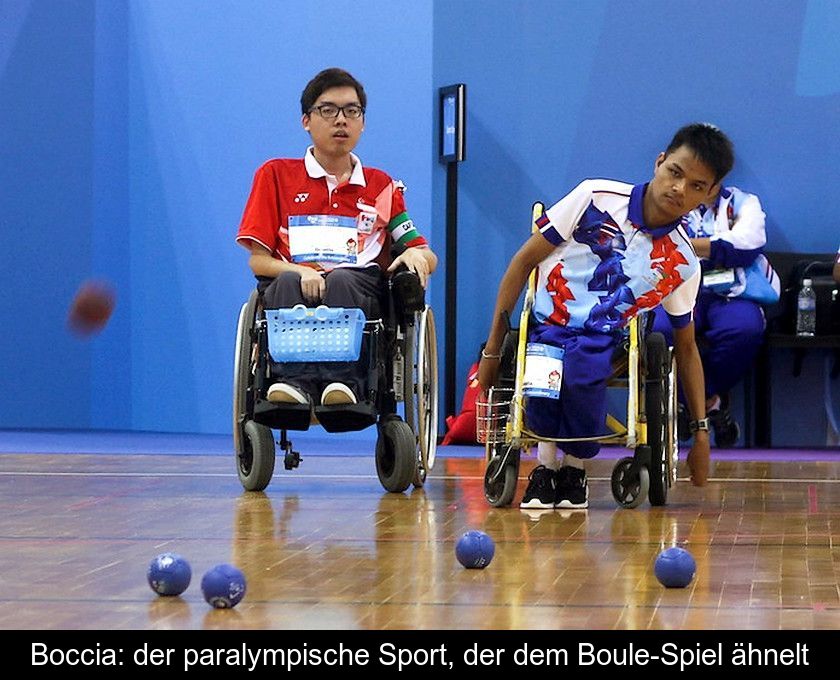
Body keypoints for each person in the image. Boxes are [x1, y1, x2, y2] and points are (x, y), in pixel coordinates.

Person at [478, 123, 734, 510]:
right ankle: (545, 470)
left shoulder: (682, 263)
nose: (680, 189)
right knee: (545, 375)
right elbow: (522, 262)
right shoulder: (594, 195)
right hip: (548, 320)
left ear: (710, 194)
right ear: (659, 162)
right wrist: (493, 351)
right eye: (675, 173)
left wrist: (700, 433)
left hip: (607, 336)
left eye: (697, 186)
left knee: (581, 369)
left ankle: (575, 471)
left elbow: (686, 346)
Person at [236, 68, 437, 406]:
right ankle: (292, 385)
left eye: (352, 111)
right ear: (306, 120)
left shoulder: (380, 186)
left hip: (358, 288)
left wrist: (417, 256)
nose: (341, 120)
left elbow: (423, 251)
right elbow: (258, 259)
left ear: (362, 122)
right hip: (294, 281)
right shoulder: (274, 175)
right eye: (328, 110)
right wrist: (301, 271)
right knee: (285, 284)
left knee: (344, 280)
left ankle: (344, 384)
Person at [651, 184, 769, 448]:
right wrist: (714, 248)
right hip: (676, 286)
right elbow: (651, 243)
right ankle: (709, 406)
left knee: (744, 329)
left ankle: (695, 402)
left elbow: (746, 245)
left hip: (728, 291)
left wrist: (688, 246)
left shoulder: (742, 201)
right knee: (658, 331)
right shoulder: (665, 199)